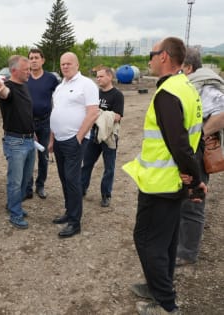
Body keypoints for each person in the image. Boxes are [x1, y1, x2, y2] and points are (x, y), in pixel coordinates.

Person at [122, 37, 207, 315]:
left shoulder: (168, 93)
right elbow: (198, 137)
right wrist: (195, 177)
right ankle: (158, 286)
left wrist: (194, 180)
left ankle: (166, 305)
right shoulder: (188, 88)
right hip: (173, 181)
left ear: (165, 57)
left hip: (161, 183)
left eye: (152, 53)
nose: (149, 59)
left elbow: (180, 144)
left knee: (147, 240)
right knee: (167, 240)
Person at [177, 47, 224, 267]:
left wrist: (200, 134)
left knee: (193, 201)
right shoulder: (194, 83)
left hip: (197, 152)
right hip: (189, 150)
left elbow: (222, 113)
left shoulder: (206, 86)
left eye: (180, 67)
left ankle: (187, 252)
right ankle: (181, 244)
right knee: (183, 198)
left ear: (188, 67)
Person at [49, 52, 99, 238]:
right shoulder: (60, 87)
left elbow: (93, 113)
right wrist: (52, 140)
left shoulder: (87, 85)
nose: (65, 66)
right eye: (63, 64)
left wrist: (78, 137)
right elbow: (57, 112)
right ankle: (69, 212)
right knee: (64, 178)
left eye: (69, 63)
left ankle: (75, 222)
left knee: (72, 179)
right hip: (60, 140)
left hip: (74, 140)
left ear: (77, 65)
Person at [0, 55, 35, 229]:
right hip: (15, 142)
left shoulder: (25, 86)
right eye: (26, 70)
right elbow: (4, 93)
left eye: (29, 69)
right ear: (14, 71)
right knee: (15, 181)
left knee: (25, 179)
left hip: (29, 140)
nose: (29, 72)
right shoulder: (8, 86)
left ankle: (13, 205)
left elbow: (26, 112)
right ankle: (15, 214)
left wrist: (33, 133)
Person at [81, 66, 124, 207]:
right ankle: (81, 189)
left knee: (109, 167)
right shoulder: (95, 94)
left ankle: (106, 195)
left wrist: (99, 114)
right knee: (87, 164)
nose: (98, 79)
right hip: (93, 134)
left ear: (110, 77)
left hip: (109, 136)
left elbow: (117, 116)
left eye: (101, 76)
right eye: (97, 76)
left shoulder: (117, 95)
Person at [25, 48, 59, 199]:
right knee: (28, 155)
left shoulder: (51, 79)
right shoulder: (25, 78)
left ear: (42, 60)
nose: (33, 60)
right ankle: (27, 187)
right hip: (27, 123)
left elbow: (59, 98)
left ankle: (40, 185)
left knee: (43, 155)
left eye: (36, 57)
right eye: (31, 58)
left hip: (45, 123)